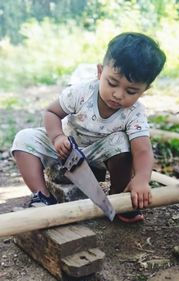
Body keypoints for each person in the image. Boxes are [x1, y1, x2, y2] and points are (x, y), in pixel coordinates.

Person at [11, 32, 166, 223]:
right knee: (24, 138)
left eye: (131, 91)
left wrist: (142, 179)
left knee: (121, 141)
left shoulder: (134, 112)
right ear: (100, 72)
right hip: (66, 147)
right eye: (112, 83)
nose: (118, 94)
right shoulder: (82, 92)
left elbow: (142, 150)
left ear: (144, 91)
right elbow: (52, 113)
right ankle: (42, 196)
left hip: (99, 155)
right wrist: (57, 137)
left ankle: (119, 199)